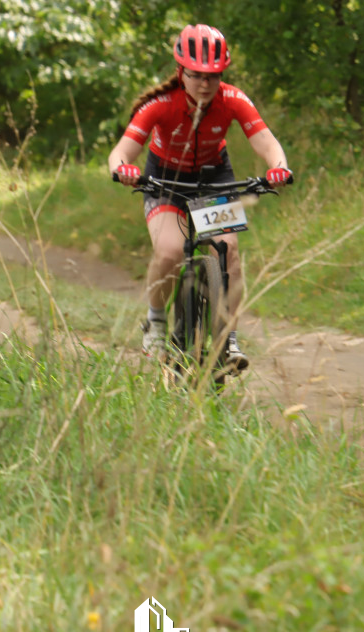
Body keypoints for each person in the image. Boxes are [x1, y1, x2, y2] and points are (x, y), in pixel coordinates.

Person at [107, 23, 292, 373]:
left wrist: (278, 167)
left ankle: (230, 337)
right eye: (196, 76)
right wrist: (122, 168)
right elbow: (121, 152)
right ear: (181, 72)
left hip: (213, 179)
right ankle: (156, 322)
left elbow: (265, 141)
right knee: (170, 251)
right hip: (165, 180)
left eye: (213, 76)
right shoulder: (160, 105)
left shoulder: (233, 100)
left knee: (229, 252)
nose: (205, 84)